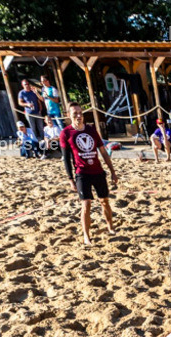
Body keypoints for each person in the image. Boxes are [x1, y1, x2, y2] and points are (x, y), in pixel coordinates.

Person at [59, 102, 117, 245]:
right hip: (82, 173)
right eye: (75, 114)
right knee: (86, 204)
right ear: (68, 115)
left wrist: (112, 171)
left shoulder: (91, 130)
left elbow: (103, 152)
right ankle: (86, 235)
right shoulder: (66, 133)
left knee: (105, 201)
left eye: (80, 113)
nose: (78, 116)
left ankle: (110, 226)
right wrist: (70, 179)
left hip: (97, 171)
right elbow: (66, 158)